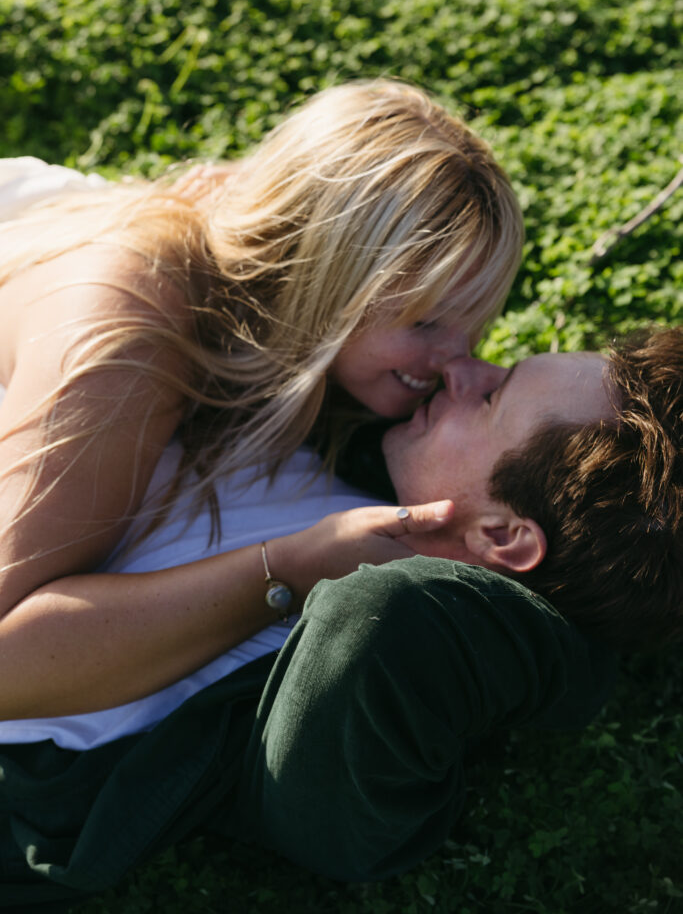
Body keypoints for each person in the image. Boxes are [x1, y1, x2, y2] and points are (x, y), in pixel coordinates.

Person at [1, 328, 679, 906]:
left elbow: (385, 622)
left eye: (491, 397)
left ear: (502, 537)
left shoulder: (351, 690)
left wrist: (288, 572)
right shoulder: (351, 444)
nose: (461, 367)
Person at [0, 79, 524, 723]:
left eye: (474, 322)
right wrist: (287, 569)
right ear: (325, 279)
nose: (458, 363)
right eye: (425, 324)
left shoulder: (268, 238)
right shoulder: (131, 341)